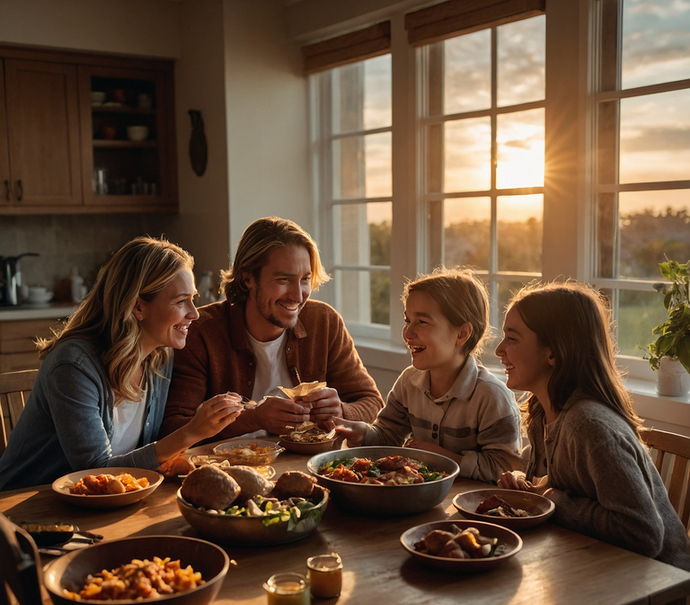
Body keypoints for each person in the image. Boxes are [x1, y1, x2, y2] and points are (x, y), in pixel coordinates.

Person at [494, 280, 690, 605]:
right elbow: (568, 489)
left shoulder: (589, 424)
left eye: (511, 339)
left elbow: (642, 533)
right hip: (593, 579)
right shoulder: (544, 412)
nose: (499, 351)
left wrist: (548, 498)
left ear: (554, 352)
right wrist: (532, 490)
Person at [0, 237, 244, 491]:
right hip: (25, 506)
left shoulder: (159, 357)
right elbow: (95, 471)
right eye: (181, 301)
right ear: (138, 307)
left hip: (108, 506)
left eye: (192, 298)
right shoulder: (73, 365)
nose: (194, 313)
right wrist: (192, 431)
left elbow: (139, 461)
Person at [160, 216, 384, 442]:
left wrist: (341, 411)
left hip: (305, 466)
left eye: (305, 279)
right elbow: (172, 428)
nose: (298, 296)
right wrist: (253, 418)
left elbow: (373, 403)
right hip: (224, 470)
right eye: (284, 280)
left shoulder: (325, 322)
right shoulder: (201, 332)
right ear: (248, 278)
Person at [333, 267, 522, 483]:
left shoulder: (492, 397)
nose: (407, 333)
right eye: (407, 321)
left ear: (462, 334)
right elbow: (387, 436)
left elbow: (505, 468)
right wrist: (364, 433)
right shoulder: (408, 381)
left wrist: (440, 457)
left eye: (422, 322)